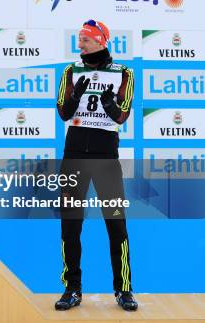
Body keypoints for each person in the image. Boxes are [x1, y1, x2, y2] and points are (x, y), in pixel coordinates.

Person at [55, 19, 138, 311]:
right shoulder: (70, 71)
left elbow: (122, 116)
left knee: (116, 224)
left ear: (101, 41)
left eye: (86, 40)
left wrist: (110, 104)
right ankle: (72, 288)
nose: (81, 45)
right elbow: (63, 112)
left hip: (106, 159)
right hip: (74, 156)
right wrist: (76, 95)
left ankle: (124, 289)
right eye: (79, 40)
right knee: (70, 226)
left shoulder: (123, 73)